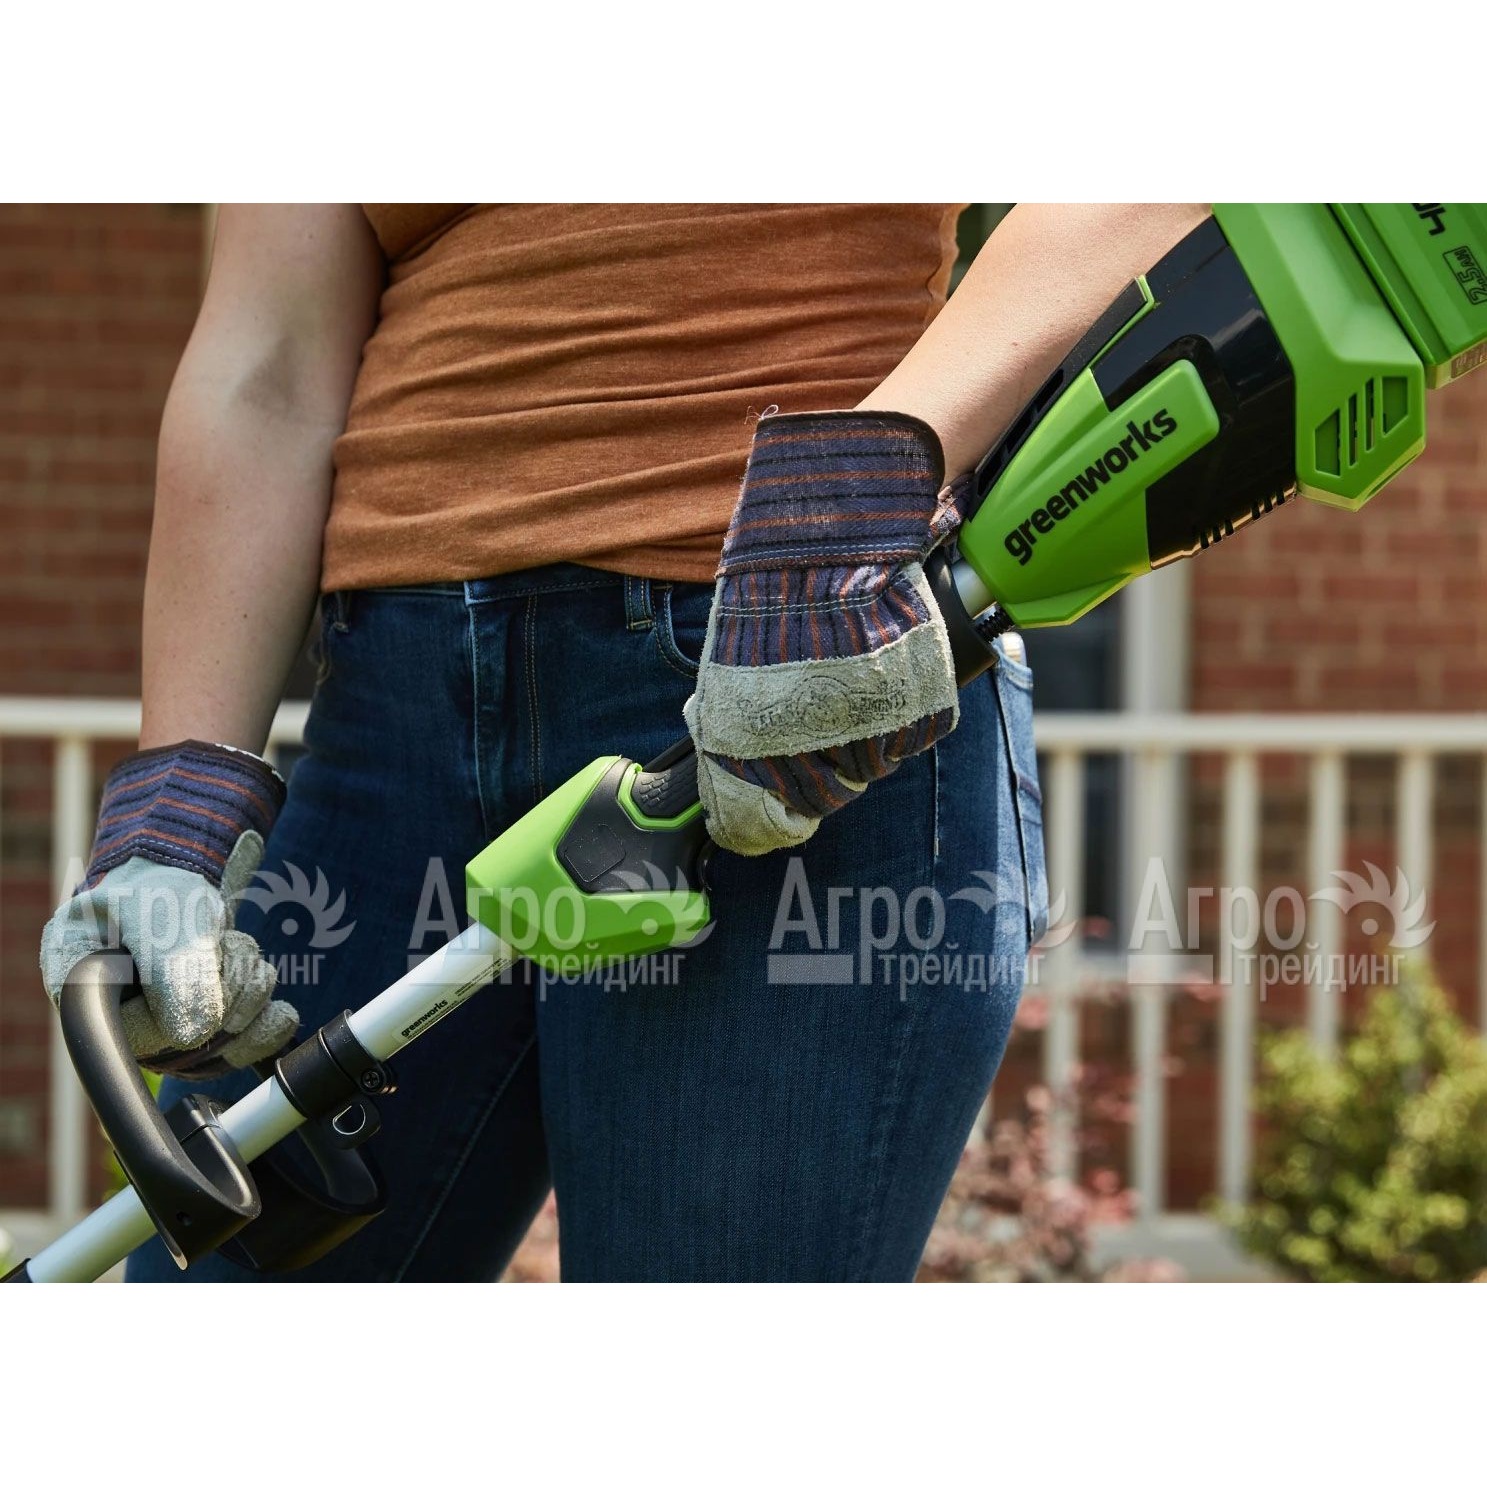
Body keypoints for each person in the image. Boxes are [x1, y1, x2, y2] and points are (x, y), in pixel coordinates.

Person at [41, 203, 1207, 1281]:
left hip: (783, 684)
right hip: (394, 711)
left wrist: (853, 492)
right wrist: (175, 811)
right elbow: (269, 366)